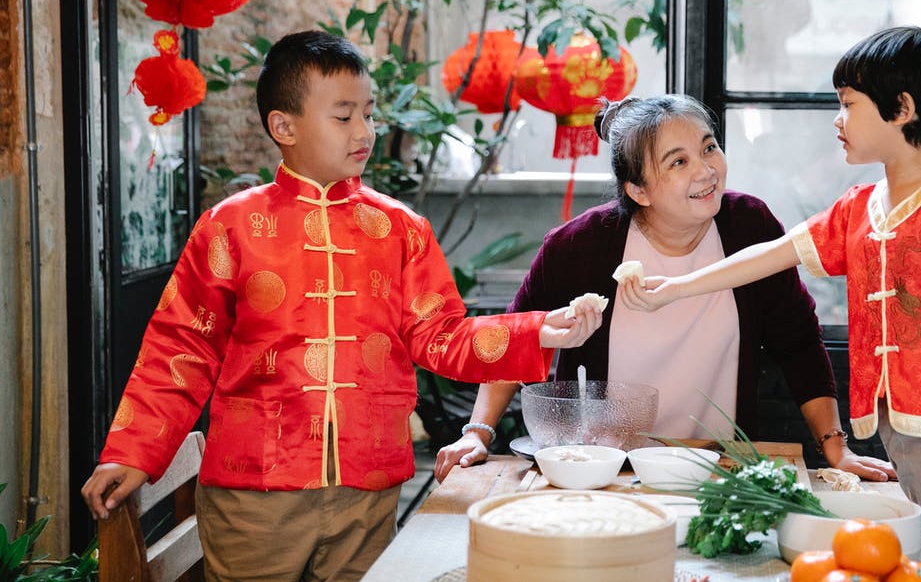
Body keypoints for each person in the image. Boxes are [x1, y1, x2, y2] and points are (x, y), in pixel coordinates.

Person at [80, 30, 603, 579]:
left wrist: (543, 330)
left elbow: (440, 335)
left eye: (369, 115)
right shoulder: (230, 226)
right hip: (254, 493)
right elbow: (181, 345)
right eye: (344, 116)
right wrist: (133, 451)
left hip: (367, 492)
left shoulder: (402, 229)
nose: (365, 131)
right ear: (283, 127)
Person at [619, 27, 921, 582]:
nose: (838, 118)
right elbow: (774, 254)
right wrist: (676, 287)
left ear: (901, 109)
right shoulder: (858, 207)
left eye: (848, 104)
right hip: (896, 420)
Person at [435, 94, 895, 484]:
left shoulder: (748, 226)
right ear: (638, 190)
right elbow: (518, 337)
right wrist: (476, 433)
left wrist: (836, 448)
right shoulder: (581, 246)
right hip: (603, 471)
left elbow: (798, 342)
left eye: (709, 148)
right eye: (679, 162)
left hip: (716, 466)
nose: (707, 170)